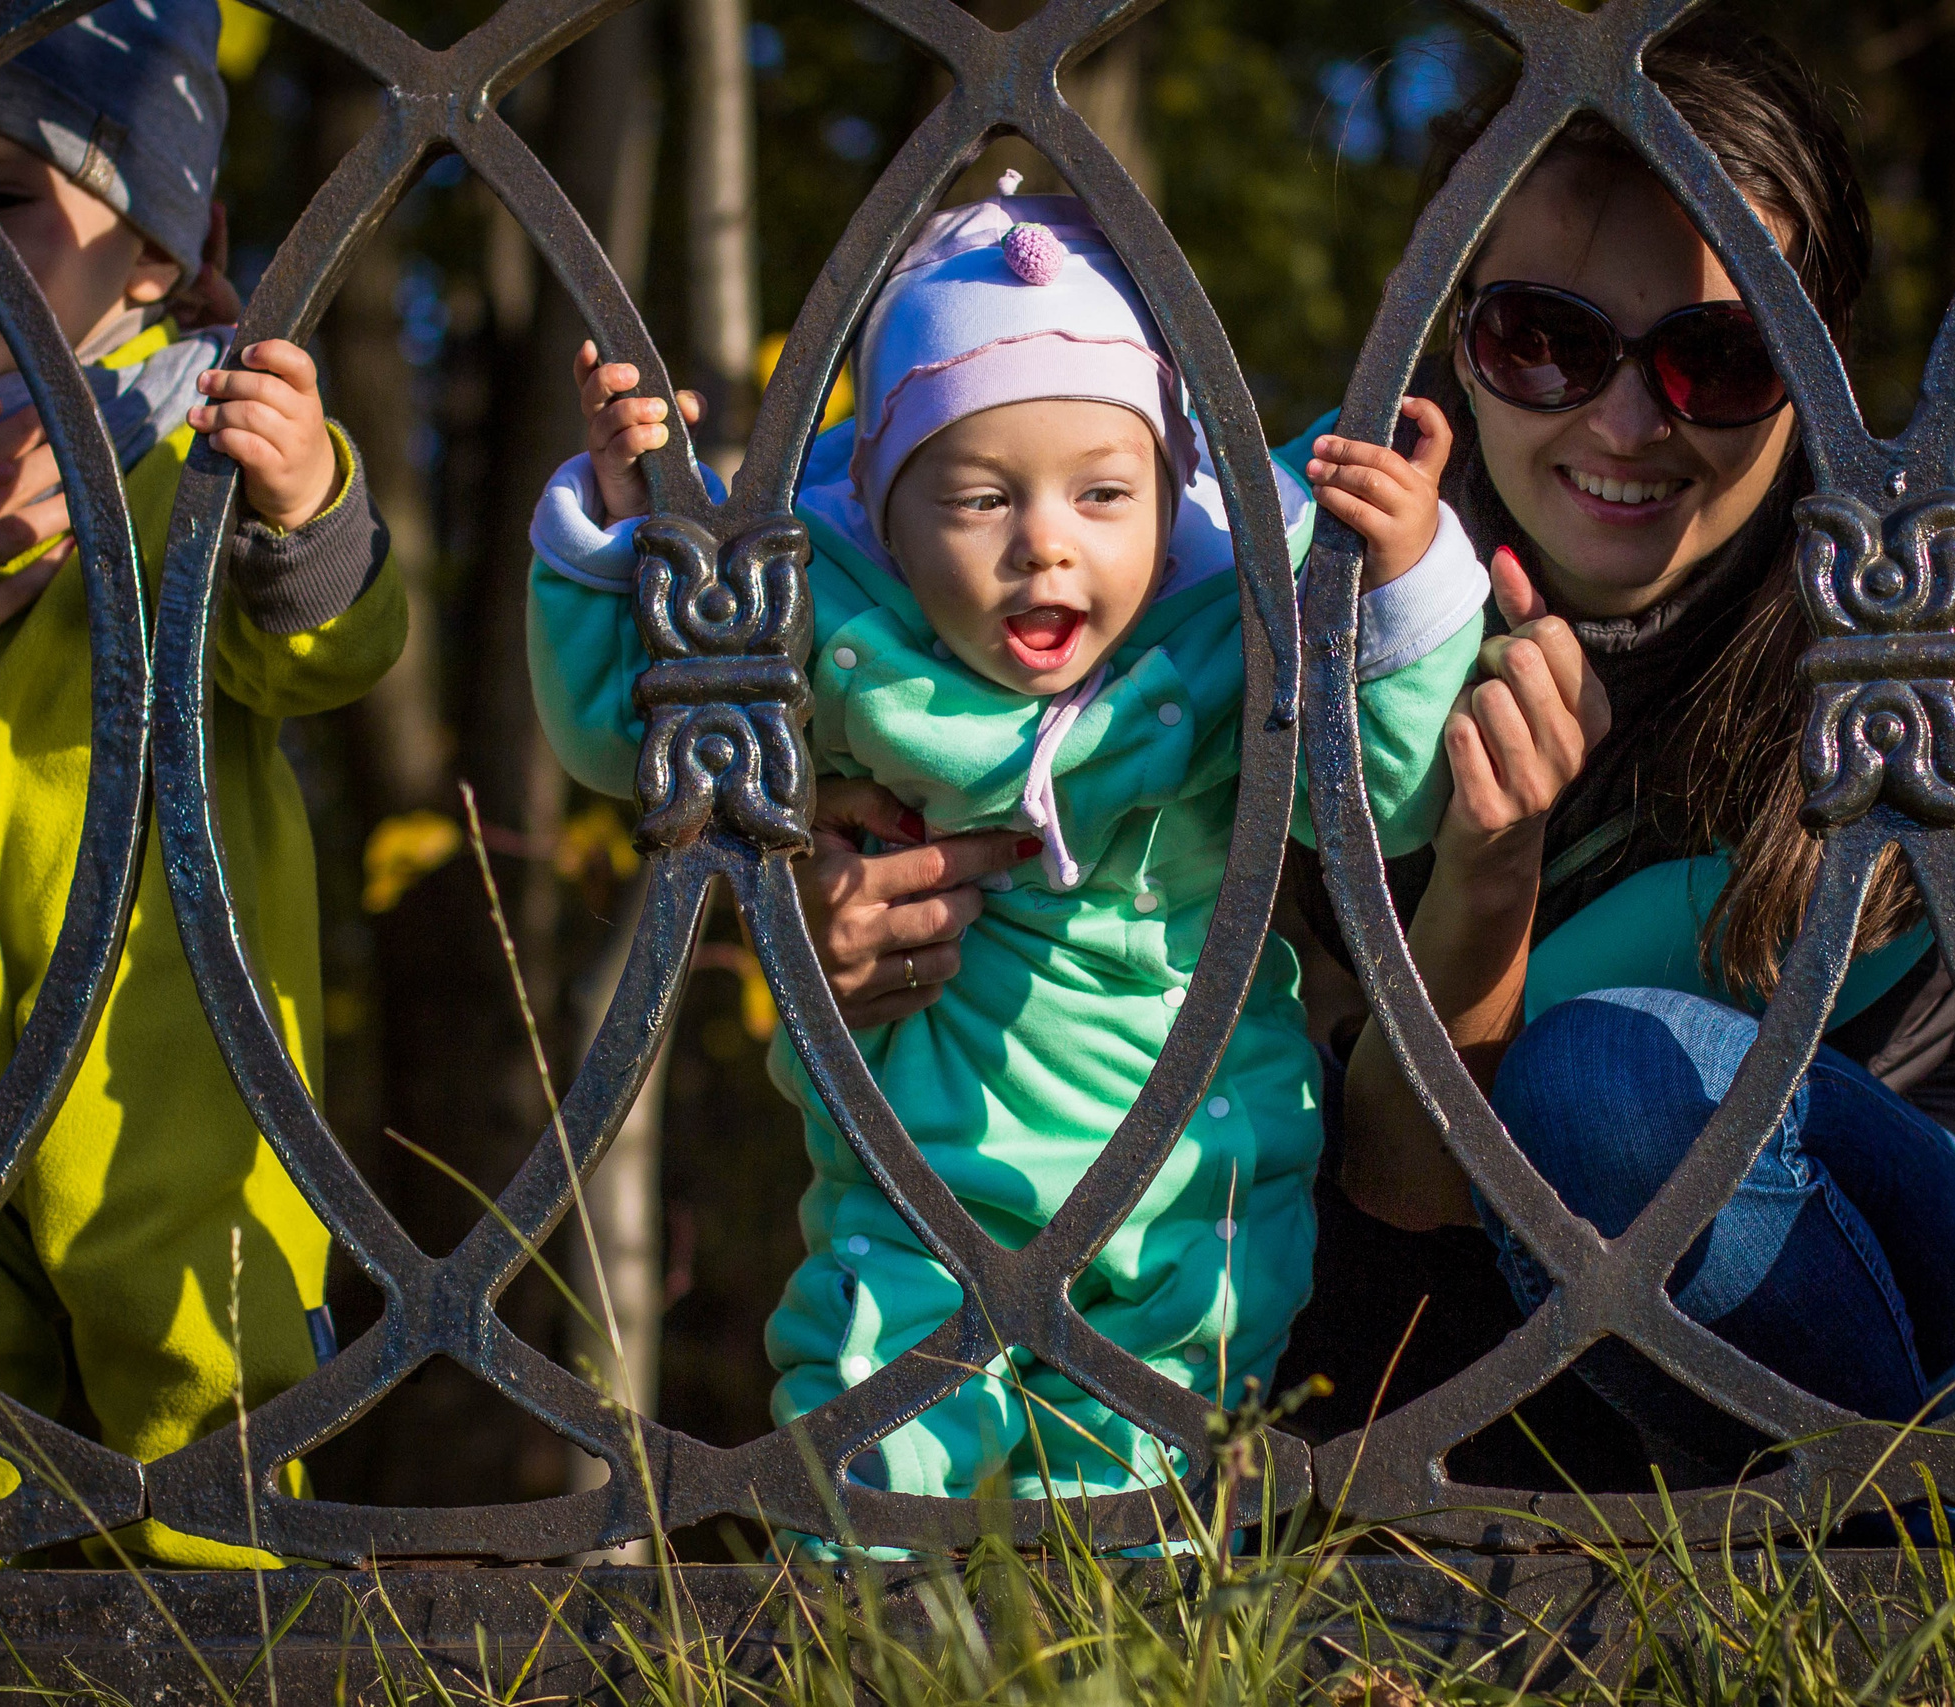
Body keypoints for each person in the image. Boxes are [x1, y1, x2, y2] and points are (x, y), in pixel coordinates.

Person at [806, 20, 1955, 1491]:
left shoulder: (1890, 625)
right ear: (1454, 333)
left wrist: (1488, 877)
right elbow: (1038, 731)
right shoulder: (1330, 565)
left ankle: (1921, 1584)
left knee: (1598, 1090)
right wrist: (883, 886)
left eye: (1717, 357)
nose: (1624, 423)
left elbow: (1423, 1172)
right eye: (1546, 341)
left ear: (1814, 368)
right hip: (1504, 1342)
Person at [528, 176, 1488, 1511]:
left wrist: (1403, 594)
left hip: (1194, 1177)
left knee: (1154, 1513)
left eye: (1104, 496)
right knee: (870, 1478)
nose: (1048, 545)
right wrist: (625, 533)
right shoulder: (845, 642)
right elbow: (633, 731)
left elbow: (1375, 806)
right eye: (980, 501)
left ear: (1171, 495)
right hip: (924, 1175)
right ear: (883, 511)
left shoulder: (1225, 640)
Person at [0, 0, 406, 1564]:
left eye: (1, 199)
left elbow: (332, 654)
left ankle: (228, 1634)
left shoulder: (189, 447)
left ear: (160, 255)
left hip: (160, 1076)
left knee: (207, 1400)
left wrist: (302, 499)